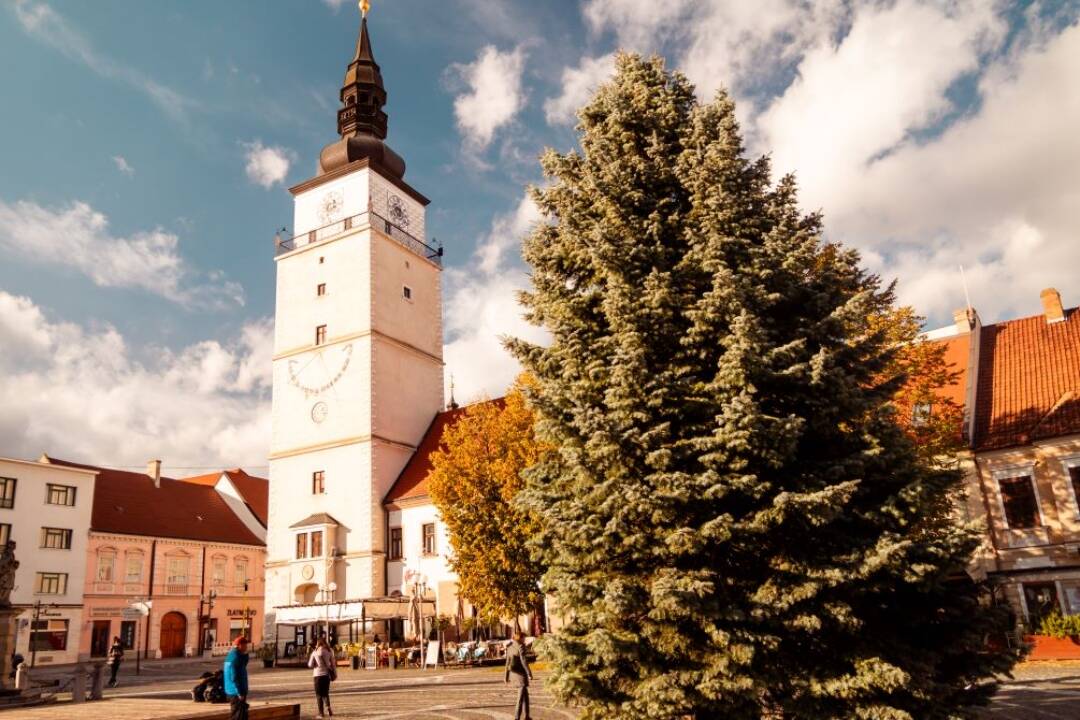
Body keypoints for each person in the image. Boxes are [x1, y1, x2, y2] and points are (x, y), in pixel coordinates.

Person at [504, 631, 533, 720]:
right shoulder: (521, 647)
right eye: (524, 638)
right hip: (521, 675)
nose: (525, 640)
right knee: (520, 698)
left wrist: (506, 676)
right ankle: (517, 718)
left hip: (513, 674)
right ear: (520, 638)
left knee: (525, 696)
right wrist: (529, 673)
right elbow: (524, 661)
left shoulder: (510, 647)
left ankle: (527, 716)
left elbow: (507, 663)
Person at [308, 636, 336, 718]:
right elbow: (333, 664)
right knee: (325, 693)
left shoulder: (315, 652)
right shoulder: (329, 651)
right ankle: (328, 707)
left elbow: (310, 665)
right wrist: (335, 673)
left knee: (319, 695)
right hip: (326, 675)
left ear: (318, 643)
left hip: (317, 675)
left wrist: (315, 664)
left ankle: (321, 713)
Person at [223, 636, 250, 720]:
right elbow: (234, 677)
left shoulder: (234, 655)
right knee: (237, 716)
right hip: (235, 692)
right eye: (245, 645)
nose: (246, 647)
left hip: (232, 690)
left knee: (241, 715)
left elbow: (243, 665)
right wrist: (239, 692)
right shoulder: (236, 658)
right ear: (239, 645)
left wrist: (245, 655)